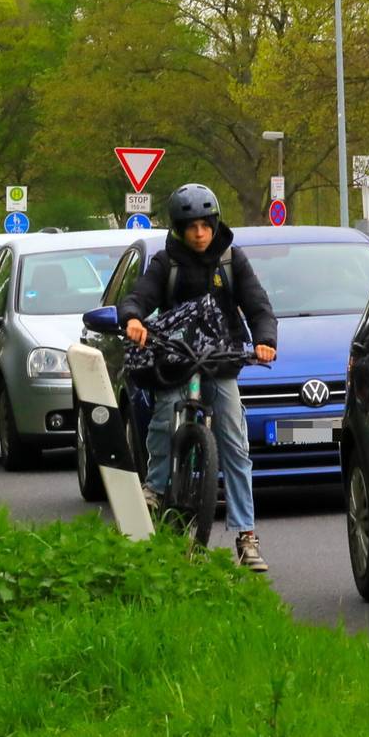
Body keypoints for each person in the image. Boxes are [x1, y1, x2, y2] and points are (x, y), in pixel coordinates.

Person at [118, 184, 278, 572]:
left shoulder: (231, 259)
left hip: (220, 361)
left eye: (205, 225)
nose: (200, 233)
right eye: (191, 227)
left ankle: (246, 535)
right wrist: (134, 319)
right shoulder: (165, 263)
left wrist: (265, 341)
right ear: (179, 229)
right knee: (166, 408)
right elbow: (139, 296)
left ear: (215, 223)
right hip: (178, 359)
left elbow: (258, 305)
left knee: (235, 444)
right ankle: (155, 488)